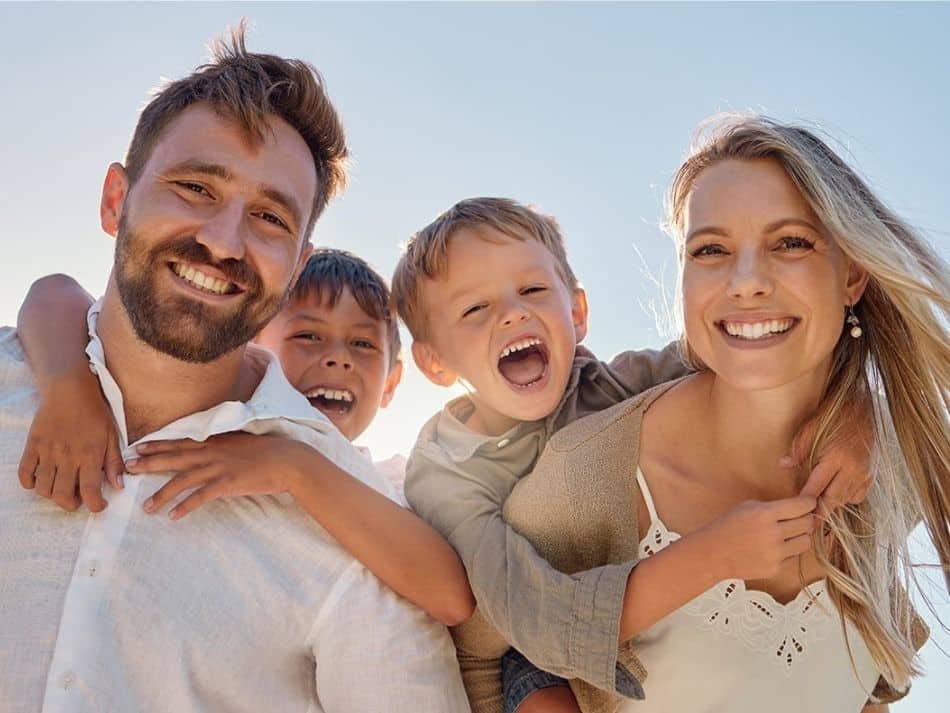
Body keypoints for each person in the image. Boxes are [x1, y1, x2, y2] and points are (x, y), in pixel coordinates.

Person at [0, 25, 468, 712]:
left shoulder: (348, 519)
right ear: (114, 200)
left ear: (297, 263)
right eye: (194, 188)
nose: (223, 241)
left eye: (271, 218)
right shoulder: (26, 369)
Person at [495, 115, 947, 712]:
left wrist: (868, 411)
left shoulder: (895, 457)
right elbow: (481, 646)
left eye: (790, 242)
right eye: (710, 249)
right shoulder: (589, 474)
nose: (747, 282)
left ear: (854, 275)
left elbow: (875, 676)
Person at [390, 196, 877, 712]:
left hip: (629, 609)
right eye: (474, 308)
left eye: (532, 289)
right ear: (436, 362)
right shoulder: (446, 473)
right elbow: (529, 614)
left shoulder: (617, 383)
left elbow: (753, 354)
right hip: (522, 645)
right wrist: (716, 555)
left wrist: (853, 409)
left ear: (576, 313)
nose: (513, 314)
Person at [16, 248, 474, 623]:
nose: (339, 359)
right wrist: (69, 388)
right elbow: (54, 291)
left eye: (362, 344)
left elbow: (450, 598)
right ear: (250, 345)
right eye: (308, 336)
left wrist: (294, 466)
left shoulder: (384, 482)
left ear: (391, 383)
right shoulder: (211, 424)